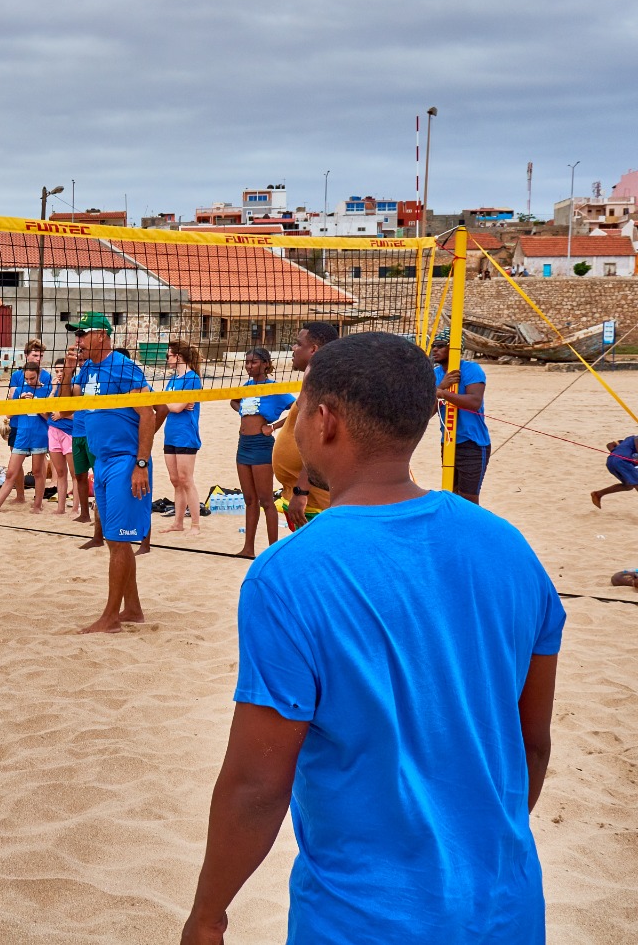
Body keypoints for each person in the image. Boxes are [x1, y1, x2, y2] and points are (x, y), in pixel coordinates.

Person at [181, 332, 563, 944]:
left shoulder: (289, 575)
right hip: (506, 909)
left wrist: (208, 916)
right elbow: (532, 747)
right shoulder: (511, 550)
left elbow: (257, 785)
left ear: (324, 420)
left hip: (362, 919)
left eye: (302, 406)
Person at [64, 317, 155, 633]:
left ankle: (111, 617)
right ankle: (132, 609)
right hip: (100, 462)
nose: (79, 340)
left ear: (102, 335)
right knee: (117, 541)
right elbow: (65, 407)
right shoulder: (87, 369)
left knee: (117, 541)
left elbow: (149, 413)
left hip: (125, 462)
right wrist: (67, 368)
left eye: (83, 334)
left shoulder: (124, 367)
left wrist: (140, 464)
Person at [272, 323, 339, 530]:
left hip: (313, 500)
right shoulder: (314, 381)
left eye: (298, 344)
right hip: (302, 493)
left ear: (314, 350)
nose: (293, 348)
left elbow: (320, 440)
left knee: (316, 557)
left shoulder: (324, 383)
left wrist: (301, 492)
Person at [230, 347, 293, 559]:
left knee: (266, 500)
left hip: (261, 445)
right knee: (249, 500)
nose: (249, 366)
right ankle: (248, 548)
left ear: (265, 364)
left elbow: (297, 408)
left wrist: (273, 426)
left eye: (253, 362)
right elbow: (232, 400)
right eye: (247, 363)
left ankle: (272, 552)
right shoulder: (247, 386)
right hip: (243, 445)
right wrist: (240, 410)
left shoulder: (275, 388)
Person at [0, 361, 50, 514]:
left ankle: (37, 506)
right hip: (22, 434)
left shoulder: (47, 390)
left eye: (32, 378)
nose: (29, 381)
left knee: (38, 472)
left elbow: (48, 418)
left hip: (39, 435)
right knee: (11, 472)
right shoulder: (19, 390)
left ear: (38, 374)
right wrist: (20, 402)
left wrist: (35, 404)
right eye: (27, 378)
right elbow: (8, 414)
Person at [431, 332, 491, 505]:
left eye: (441, 345)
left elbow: (474, 402)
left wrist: (443, 393)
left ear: (455, 348)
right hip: (448, 442)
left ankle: (473, 531)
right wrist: (441, 387)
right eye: (434, 345)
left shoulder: (471, 369)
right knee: (452, 495)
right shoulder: (436, 375)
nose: (435, 349)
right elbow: (427, 412)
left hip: (473, 443)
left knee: (469, 499)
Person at [159, 340, 203, 534]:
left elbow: (175, 407)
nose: (166, 358)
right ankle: (178, 523)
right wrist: (172, 402)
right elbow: (171, 405)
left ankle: (195, 524)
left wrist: (170, 402)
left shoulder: (192, 379)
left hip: (186, 434)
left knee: (186, 479)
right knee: (175, 480)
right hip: (171, 434)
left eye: (168, 355)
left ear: (178, 356)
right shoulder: (172, 380)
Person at [47, 359, 78, 517]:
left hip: (69, 433)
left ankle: (75, 508)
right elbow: (47, 408)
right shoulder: (54, 388)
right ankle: (61, 507)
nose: (59, 374)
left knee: (75, 473)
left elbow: (80, 414)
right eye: (57, 371)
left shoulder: (74, 386)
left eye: (62, 371)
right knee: (60, 472)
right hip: (53, 431)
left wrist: (62, 414)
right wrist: (53, 390)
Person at [590, 434, 638, 509]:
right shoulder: (634, 438)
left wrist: (616, 452)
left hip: (611, 461)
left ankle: (598, 494)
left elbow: (610, 444)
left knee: (628, 486)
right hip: (622, 461)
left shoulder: (625, 442)